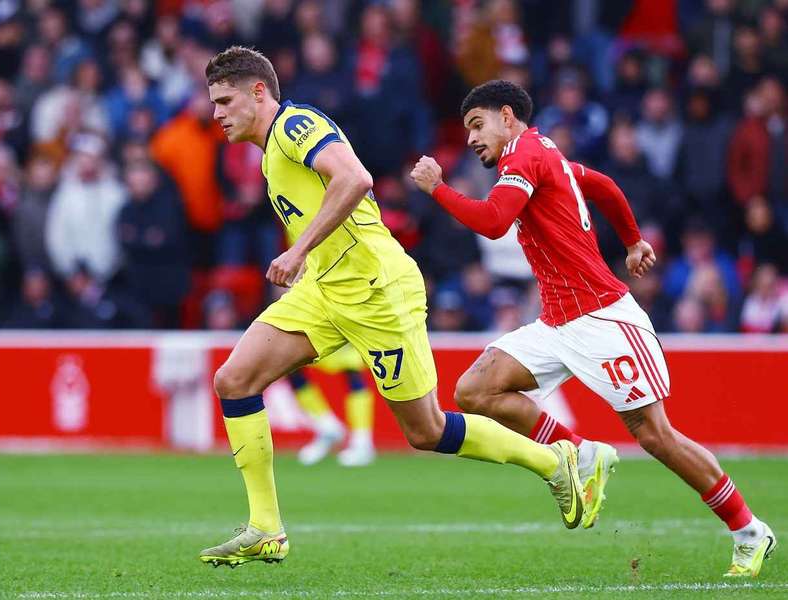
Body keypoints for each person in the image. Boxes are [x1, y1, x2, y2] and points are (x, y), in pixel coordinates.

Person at [199, 47, 590, 568]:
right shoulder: (271, 151)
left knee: (425, 431)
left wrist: (298, 250)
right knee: (234, 380)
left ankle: (553, 462)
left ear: (257, 92)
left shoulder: (295, 126)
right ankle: (266, 528)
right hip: (325, 290)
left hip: (378, 291)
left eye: (225, 101)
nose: (217, 113)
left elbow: (355, 179)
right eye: (213, 104)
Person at [409, 79, 776, 577]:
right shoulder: (545, 153)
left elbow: (495, 221)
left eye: (478, 124)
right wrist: (631, 240)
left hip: (602, 317)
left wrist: (437, 189)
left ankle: (749, 530)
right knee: (476, 389)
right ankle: (581, 454)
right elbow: (600, 184)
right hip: (557, 321)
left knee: (656, 437)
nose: (472, 138)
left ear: (507, 117)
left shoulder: (523, 156)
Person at [289, 344, 376, 467]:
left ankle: (362, 442)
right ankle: (328, 428)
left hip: (344, 329)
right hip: (313, 329)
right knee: (292, 367)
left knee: (352, 370)